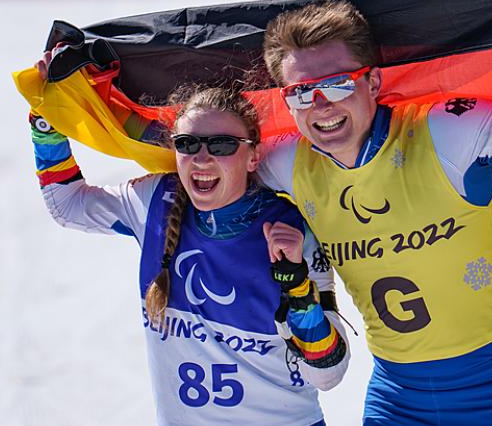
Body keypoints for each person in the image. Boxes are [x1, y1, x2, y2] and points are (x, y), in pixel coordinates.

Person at [257, 0, 492, 425]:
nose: (320, 105)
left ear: (373, 81)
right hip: (398, 398)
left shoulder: (447, 131)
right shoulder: (287, 163)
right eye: (301, 92)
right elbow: (200, 167)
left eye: (337, 84)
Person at [30, 52, 350, 425]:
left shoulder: (288, 229)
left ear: (253, 156)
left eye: (222, 146)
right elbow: (69, 205)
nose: (201, 159)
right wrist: (47, 122)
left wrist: (296, 285)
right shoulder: (156, 201)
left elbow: (327, 373)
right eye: (187, 144)